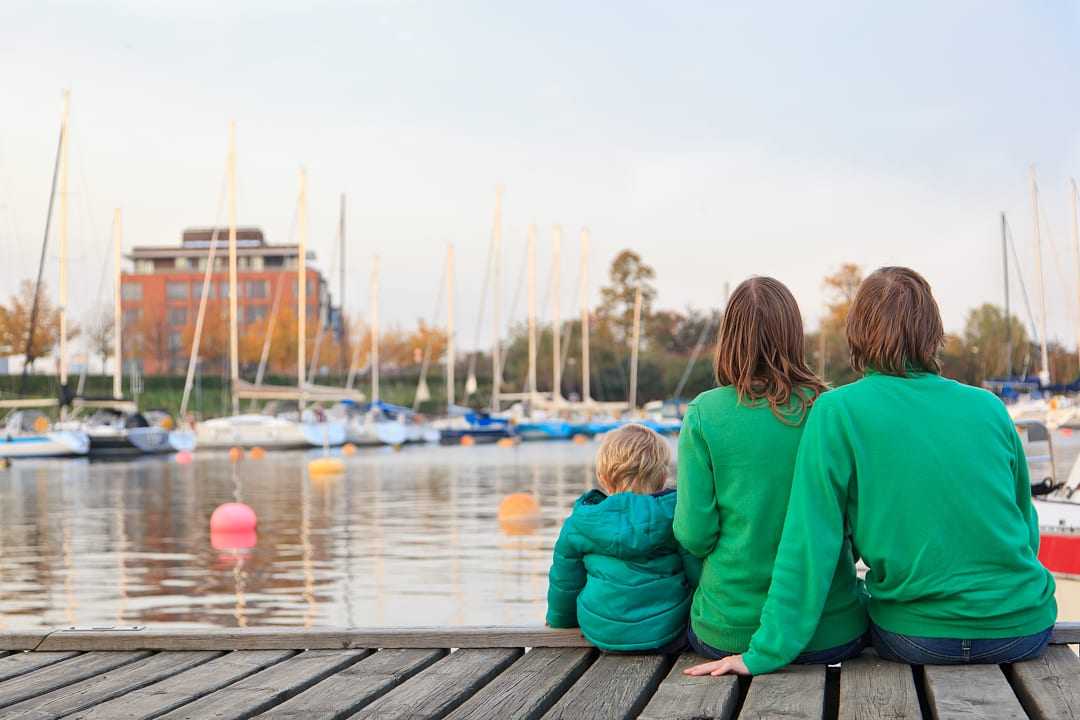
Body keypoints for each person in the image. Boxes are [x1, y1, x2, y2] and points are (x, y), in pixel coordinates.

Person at [688, 266, 1056, 677]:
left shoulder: (839, 410)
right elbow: (1025, 524)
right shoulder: (988, 406)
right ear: (933, 330)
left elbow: (810, 542)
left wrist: (764, 653)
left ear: (857, 332)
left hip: (917, 636)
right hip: (1023, 628)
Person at [675, 276, 867, 666]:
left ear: (729, 337)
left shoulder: (703, 414)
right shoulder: (830, 409)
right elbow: (860, 533)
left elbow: (694, 535)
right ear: (794, 335)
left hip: (727, 631)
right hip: (833, 630)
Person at [546, 423, 700, 652]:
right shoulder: (676, 515)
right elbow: (697, 575)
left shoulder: (581, 522)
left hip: (602, 634)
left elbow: (565, 583)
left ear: (602, 477)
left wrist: (560, 621)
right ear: (663, 475)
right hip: (669, 633)